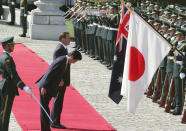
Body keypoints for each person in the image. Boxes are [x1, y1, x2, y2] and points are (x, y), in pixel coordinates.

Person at [36, 50, 82, 131]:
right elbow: (50, 72)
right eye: (75, 60)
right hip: (46, 87)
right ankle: (45, 129)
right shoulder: (62, 61)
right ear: (71, 57)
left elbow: (57, 72)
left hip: (49, 86)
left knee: (45, 107)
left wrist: (59, 79)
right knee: (44, 109)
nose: (74, 62)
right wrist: (44, 86)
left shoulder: (64, 61)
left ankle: (46, 128)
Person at [0, 36, 32, 131]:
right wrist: (24, 86)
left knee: (3, 112)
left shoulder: (4, 56)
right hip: (8, 88)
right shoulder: (7, 59)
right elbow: (13, 75)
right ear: (6, 46)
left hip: (5, 85)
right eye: (11, 45)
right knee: (5, 113)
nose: (13, 47)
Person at [49, 32, 72, 129]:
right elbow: (58, 66)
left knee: (59, 101)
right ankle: (54, 121)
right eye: (68, 38)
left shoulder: (63, 48)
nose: (69, 40)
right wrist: (61, 79)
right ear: (62, 39)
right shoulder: (60, 49)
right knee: (58, 100)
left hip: (62, 79)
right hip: (60, 80)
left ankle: (55, 120)